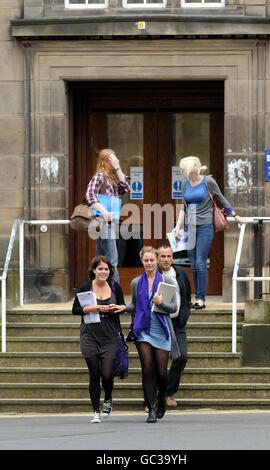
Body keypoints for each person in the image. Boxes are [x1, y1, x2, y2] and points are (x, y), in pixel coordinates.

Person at [173, 156, 247, 309]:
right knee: (193, 264)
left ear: (191, 169)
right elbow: (183, 207)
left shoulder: (208, 182)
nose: (180, 171)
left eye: (182, 168)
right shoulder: (185, 184)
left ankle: (201, 298)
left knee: (200, 263)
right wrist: (177, 226)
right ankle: (196, 296)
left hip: (205, 226)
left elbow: (221, 199)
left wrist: (235, 215)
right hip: (189, 227)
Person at [124, 246, 179, 424]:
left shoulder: (167, 281)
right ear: (142, 261)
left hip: (161, 329)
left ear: (156, 261)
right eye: (145, 260)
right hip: (143, 329)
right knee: (147, 368)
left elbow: (173, 308)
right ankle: (152, 407)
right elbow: (134, 305)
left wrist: (161, 302)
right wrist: (122, 308)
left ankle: (162, 397)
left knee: (161, 373)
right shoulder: (135, 282)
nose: (149, 263)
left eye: (151, 260)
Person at [72, 255, 126, 424]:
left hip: (109, 336)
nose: (103, 272)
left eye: (106, 269)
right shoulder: (85, 287)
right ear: (94, 270)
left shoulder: (115, 287)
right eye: (100, 268)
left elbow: (124, 306)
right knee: (94, 374)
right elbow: (75, 309)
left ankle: (108, 398)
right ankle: (95, 410)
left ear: (110, 271)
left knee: (107, 374)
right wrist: (90, 308)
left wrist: (116, 308)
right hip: (90, 335)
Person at [85, 148, 130, 283]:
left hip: (109, 223)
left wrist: (118, 168)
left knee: (99, 260)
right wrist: (105, 212)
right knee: (112, 261)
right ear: (105, 161)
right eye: (113, 159)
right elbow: (89, 195)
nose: (116, 161)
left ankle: (95, 289)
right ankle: (114, 293)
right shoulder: (99, 176)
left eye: (116, 159)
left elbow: (126, 188)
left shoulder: (112, 178)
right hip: (103, 222)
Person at [157, 244, 191, 407]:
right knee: (157, 362)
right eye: (163, 256)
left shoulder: (180, 273)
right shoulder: (153, 274)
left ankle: (168, 392)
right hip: (160, 323)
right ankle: (153, 396)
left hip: (178, 323)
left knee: (181, 356)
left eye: (169, 256)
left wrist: (185, 314)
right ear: (157, 258)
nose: (166, 259)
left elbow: (186, 296)